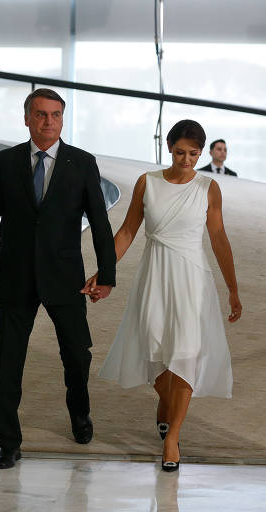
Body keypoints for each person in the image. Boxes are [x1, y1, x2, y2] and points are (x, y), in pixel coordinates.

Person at [0, 88, 117, 469]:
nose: (48, 121)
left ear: (63, 120)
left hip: (66, 277)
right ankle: (8, 442)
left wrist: (108, 274)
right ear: (27, 118)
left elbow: (100, 222)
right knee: (8, 362)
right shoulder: (6, 161)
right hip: (15, 276)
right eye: (40, 114)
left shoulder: (82, 163)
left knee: (77, 356)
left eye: (55, 115)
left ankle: (80, 415)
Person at [94, 119, 242, 472]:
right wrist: (104, 271)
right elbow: (129, 230)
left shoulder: (209, 187)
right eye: (180, 152)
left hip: (192, 279)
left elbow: (218, 238)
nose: (186, 159)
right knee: (153, 347)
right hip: (154, 274)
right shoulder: (149, 183)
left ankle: (173, 437)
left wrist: (233, 289)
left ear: (202, 153)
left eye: (194, 153)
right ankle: (165, 399)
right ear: (169, 148)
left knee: (187, 353)